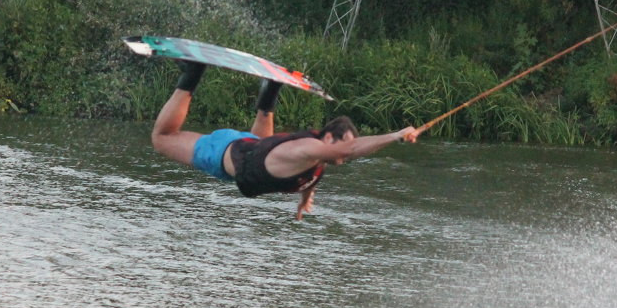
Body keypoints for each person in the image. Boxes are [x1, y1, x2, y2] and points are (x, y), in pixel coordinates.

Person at [150, 60, 417, 220]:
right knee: (162, 138)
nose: (343, 155)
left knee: (263, 148)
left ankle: (270, 91)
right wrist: (395, 135)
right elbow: (354, 149)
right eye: (342, 146)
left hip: (251, 145)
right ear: (326, 138)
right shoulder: (310, 147)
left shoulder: (317, 159)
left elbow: (313, 175)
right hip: (221, 154)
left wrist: (305, 198)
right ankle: (193, 73)